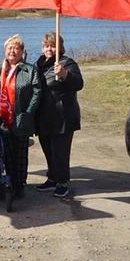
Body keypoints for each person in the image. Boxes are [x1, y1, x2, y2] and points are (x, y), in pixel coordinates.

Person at [0, 34, 41, 199]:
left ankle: (19, 185)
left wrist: (28, 113)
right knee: (3, 153)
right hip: (0, 120)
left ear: (22, 52)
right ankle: (4, 183)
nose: (12, 51)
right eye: (9, 48)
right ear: (5, 51)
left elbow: (37, 92)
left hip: (20, 118)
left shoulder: (30, 70)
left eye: (16, 48)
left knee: (20, 154)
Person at [35, 32, 84, 198]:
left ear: (60, 47)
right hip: (44, 115)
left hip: (62, 115)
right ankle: (52, 178)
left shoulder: (67, 63)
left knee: (60, 152)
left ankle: (63, 182)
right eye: (47, 45)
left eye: (53, 45)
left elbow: (79, 83)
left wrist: (65, 75)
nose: (49, 49)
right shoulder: (39, 63)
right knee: (48, 150)